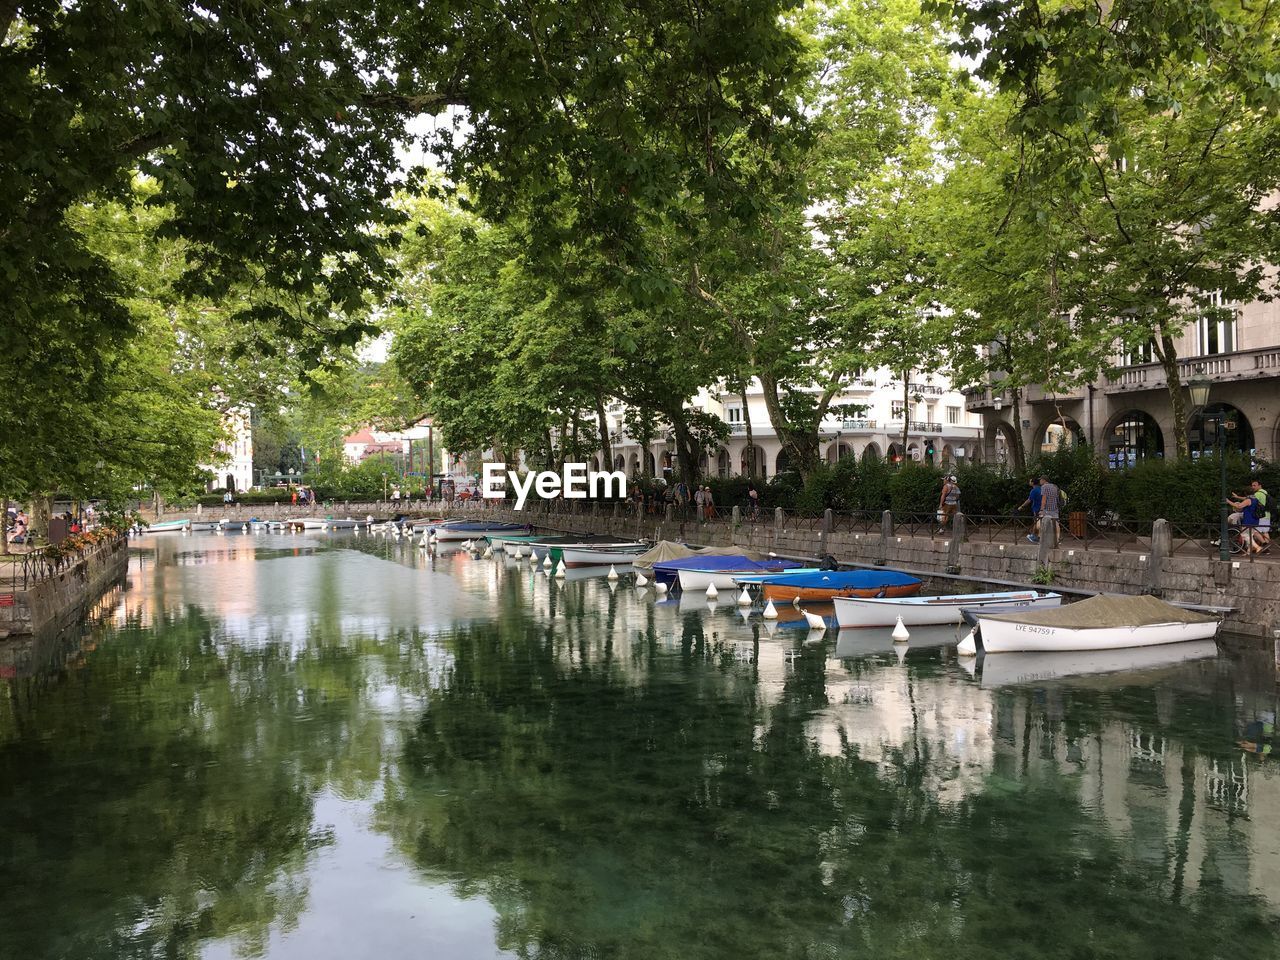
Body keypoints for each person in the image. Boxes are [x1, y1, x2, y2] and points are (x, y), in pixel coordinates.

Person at [1227, 480, 1268, 553]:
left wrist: (1228, 501)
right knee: (1250, 536)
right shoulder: (1255, 499)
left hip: (1248, 520)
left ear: (1246, 493)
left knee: (1244, 535)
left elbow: (1238, 506)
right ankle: (1249, 552)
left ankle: (1257, 547)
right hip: (1255, 519)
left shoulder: (1249, 500)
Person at [1038, 475, 1062, 543]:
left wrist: (1041, 510)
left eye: (1040, 480)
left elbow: (1044, 499)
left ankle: (1042, 539)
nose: (1039, 481)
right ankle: (1057, 539)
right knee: (1056, 524)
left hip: (1047, 509)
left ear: (1043, 480)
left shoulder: (1044, 487)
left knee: (1042, 523)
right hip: (1055, 508)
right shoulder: (1055, 486)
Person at [1020, 478, 1043, 543]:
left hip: (1037, 508)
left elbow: (1029, 500)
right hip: (1043, 508)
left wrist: (1021, 506)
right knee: (1040, 523)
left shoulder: (1034, 490)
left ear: (1033, 483)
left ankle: (1034, 537)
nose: (1029, 482)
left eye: (1030, 481)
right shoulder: (1041, 489)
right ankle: (1038, 536)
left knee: (1036, 522)